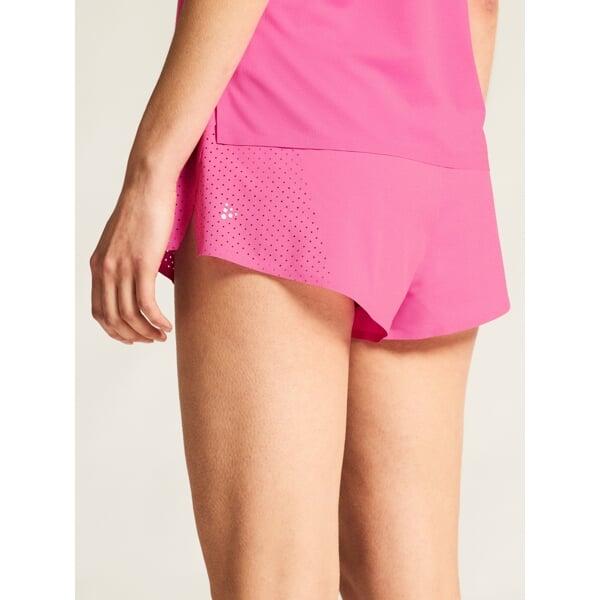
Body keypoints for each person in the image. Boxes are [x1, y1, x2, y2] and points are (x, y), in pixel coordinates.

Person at [90, 1, 508, 598]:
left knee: (274, 582)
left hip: (281, 135)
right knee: (415, 586)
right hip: (438, 156)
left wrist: (148, 173)